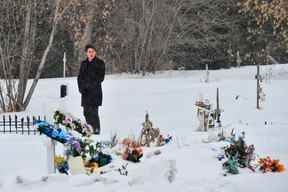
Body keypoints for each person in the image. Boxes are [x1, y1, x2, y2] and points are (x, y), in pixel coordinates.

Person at [77, 44, 105, 134]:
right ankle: (90, 129)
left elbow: (101, 77)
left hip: (95, 92)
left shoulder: (100, 63)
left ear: (95, 52)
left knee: (94, 112)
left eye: (92, 51)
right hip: (85, 93)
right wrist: (81, 88)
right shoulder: (83, 64)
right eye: (89, 52)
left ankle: (96, 130)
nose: (91, 53)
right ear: (86, 53)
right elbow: (80, 77)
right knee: (86, 112)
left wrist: (89, 85)